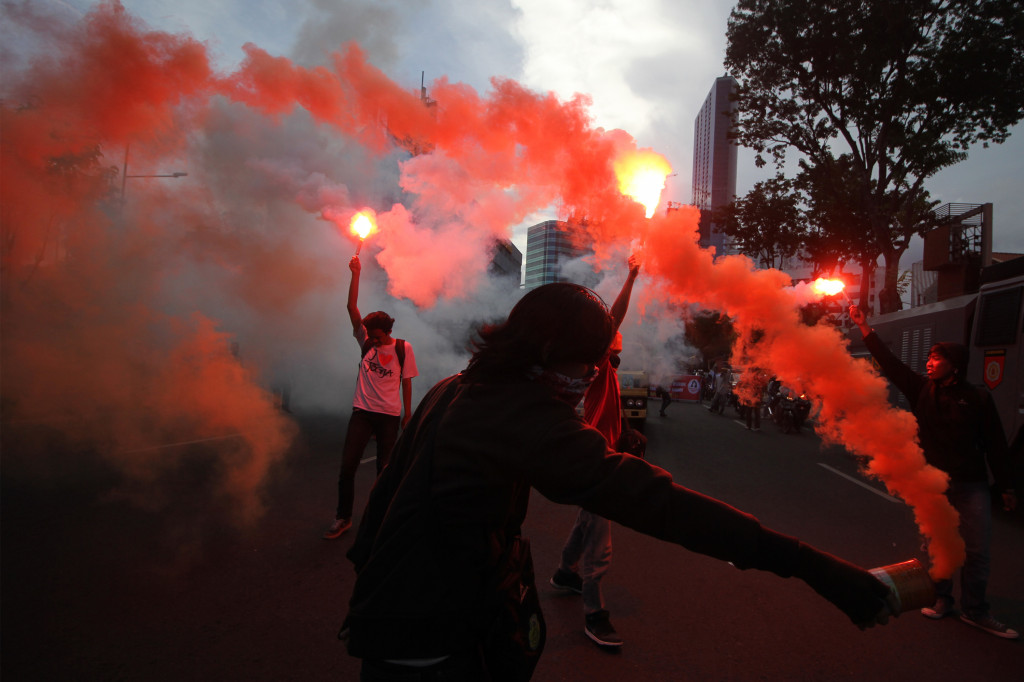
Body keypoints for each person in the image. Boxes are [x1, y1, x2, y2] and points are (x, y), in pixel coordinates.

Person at [341, 283, 894, 681]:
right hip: (432, 643)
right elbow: (657, 503)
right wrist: (812, 566)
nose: (589, 381)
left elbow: (387, 490)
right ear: (549, 354)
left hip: (395, 618)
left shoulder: (459, 384)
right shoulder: (522, 415)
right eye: (588, 366)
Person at [849, 304, 1019, 639]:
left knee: (977, 552)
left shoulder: (978, 399)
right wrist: (864, 326)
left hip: (971, 486)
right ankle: (942, 599)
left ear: (955, 366)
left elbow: (996, 445)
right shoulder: (921, 389)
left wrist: (1007, 487)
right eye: (928, 356)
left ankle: (976, 611)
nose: (929, 362)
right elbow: (889, 362)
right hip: (933, 485)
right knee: (939, 545)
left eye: (937, 358)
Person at [549, 255, 640, 648]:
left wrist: (626, 436)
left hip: (602, 450)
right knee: (601, 537)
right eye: (612, 343)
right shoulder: (596, 362)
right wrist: (632, 276)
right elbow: (614, 319)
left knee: (589, 519)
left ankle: (566, 572)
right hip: (592, 456)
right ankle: (594, 611)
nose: (616, 349)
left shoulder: (604, 370)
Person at [324, 255, 418, 540]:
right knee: (347, 467)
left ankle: (381, 520)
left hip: (389, 415)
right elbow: (351, 307)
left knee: (385, 471)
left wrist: (407, 414)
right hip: (362, 412)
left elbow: (406, 382)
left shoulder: (403, 348)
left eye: (377, 337)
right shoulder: (365, 341)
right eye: (370, 337)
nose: (372, 341)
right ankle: (344, 517)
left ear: (388, 332)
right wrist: (356, 273)